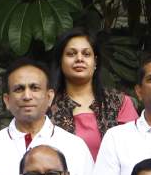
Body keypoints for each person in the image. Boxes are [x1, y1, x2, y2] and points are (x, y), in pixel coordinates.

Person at [46, 27, 138, 159]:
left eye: (86, 54)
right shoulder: (46, 105)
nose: (79, 59)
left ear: (96, 62)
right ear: (60, 61)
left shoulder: (119, 103)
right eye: (71, 54)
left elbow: (134, 150)